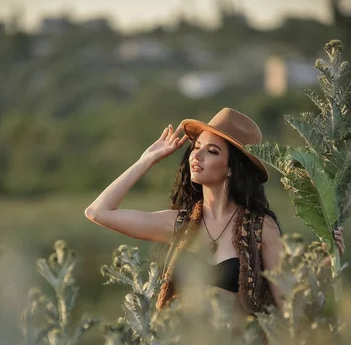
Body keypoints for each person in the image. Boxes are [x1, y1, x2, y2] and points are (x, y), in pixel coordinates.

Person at [85, 108, 345, 320]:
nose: (196, 155)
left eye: (212, 151)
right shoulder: (180, 223)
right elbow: (98, 212)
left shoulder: (260, 227)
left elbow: (287, 307)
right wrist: (146, 160)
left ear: (232, 168)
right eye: (195, 147)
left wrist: (317, 270)